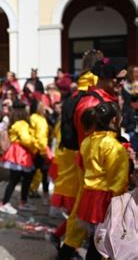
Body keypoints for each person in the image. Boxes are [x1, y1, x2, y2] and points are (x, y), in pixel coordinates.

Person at [58, 60, 121, 259]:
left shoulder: (104, 97)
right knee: (88, 217)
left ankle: (67, 247)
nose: (121, 83)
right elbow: (91, 144)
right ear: (105, 78)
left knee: (92, 220)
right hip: (98, 176)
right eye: (118, 79)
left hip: (101, 174)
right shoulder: (92, 102)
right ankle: (67, 249)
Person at [76, 102, 129, 259]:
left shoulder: (87, 141)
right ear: (114, 120)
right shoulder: (113, 146)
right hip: (105, 199)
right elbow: (118, 180)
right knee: (103, 244)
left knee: (96, 241)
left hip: (89, 196)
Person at [0, 101, 37, 214]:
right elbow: (26, 139)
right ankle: (7, 203)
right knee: (19, 179)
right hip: (21, 153)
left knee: (17, 179)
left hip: (16, 152)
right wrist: (35, 145)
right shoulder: (22, 124)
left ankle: (17, 202)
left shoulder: (14, 123)